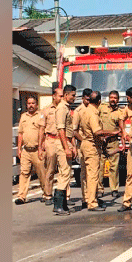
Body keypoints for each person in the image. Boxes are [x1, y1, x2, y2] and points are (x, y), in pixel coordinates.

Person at [73, 91, 119, 212]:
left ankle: (87, 199)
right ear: (99, 101)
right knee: (93, 176)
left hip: (85, 144)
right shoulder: (93, 113)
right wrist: (112, 132)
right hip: (91, 146)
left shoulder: (84, 110)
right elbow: (97, 131)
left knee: (86, 174)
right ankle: (92, 203)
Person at [15, 96, 51, 204]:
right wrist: (19, 148)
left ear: (36, 105)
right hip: (26, 150)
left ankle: (46, 194)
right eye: (29, 103)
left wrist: (41, 147)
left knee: (42, 173)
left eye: (33, 103)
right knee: (24, 173)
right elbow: (20, 133)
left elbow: (44, 133)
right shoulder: (23, 116)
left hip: (37, 150)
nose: (30, 105)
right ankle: (21, 196)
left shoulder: (40, 116)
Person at [52, 85, 77, 215]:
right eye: (73, 95)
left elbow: (69, 130)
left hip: (66, 141)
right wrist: (66, 147)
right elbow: (61, 129)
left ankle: (63, 204)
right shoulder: (62, 108)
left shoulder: (66, 108)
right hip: (62, 142)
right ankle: (58, 205)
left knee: (66, 172)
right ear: (66, 95)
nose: (74, 97)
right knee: (64, 173)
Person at [97, 90, 123, 199]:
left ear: (118, 100)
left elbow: (122, 129)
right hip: (101, 141)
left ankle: (114, 189)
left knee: (114, 167)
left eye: (115, 98)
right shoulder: (101, 108)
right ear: (108, 98)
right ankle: (99, 189)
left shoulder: (120, 112)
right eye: (111, 97)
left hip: (113, 142)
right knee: (100, 167)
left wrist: (123, 143)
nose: (113, 100)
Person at [41, 87, 63, 205]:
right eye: (60, 95)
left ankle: (65, 195)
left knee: (64, 169)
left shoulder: (64, 109)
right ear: (54, 96)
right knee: (50, 169)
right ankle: (48, 194)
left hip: (62, 140)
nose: (61, 98)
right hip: (51, 140)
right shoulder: (46, 111)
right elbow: (41, 129)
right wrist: (41, 145)